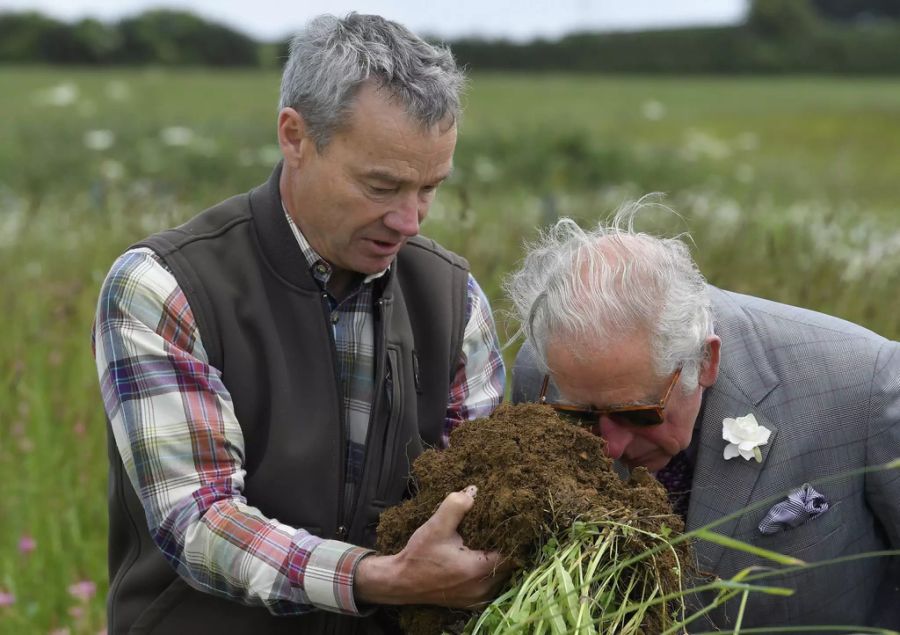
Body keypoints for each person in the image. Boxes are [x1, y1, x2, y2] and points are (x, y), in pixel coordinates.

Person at [92, 13, 506, 634]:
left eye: (429, 187)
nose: (410, 220)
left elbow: (491, 494)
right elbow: (199, 521)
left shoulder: (451, 300)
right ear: (295, 136)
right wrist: (373, 578)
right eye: (382, 185)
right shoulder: (165, 288)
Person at [508, 208, 900, 630]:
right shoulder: (543, 372)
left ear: (705, 361)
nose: (611, 448)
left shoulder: (864, 384)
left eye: (638, 413)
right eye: (581, 415)